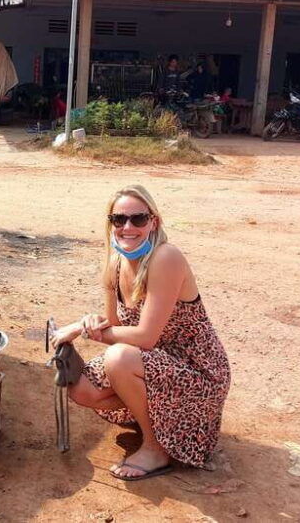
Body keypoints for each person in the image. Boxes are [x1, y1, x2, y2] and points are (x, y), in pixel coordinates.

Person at [50, 185, 230, 481]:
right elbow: (114, 327)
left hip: (196, 371)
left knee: (118, 357)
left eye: (138, 219)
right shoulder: (114, 264)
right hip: (150, 362)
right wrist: (95, 323)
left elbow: (144, 337)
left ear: (154, 221)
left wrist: (82, 329)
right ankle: (160, 418)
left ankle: (156, 446)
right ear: (111, 224)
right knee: (81, 389)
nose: (128, 227)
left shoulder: (166, 257)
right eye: (119, 220)